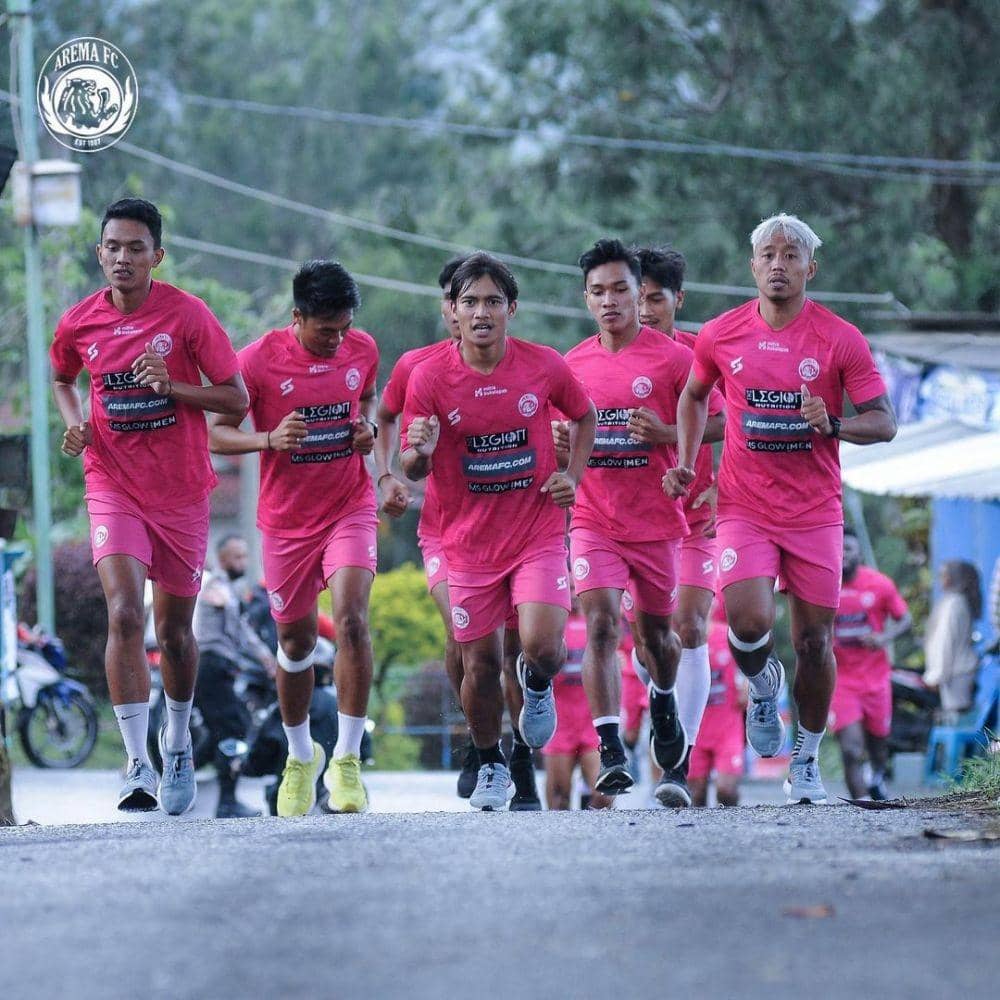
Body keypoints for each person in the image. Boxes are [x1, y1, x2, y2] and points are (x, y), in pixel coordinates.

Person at [664, 212, 897, 805]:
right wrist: (688, 458)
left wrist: (836, 423)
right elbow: (693, 397)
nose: (778, 264)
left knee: (816, 641)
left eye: (791, 255)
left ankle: (807, 759)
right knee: (746, 621)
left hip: (815, 511)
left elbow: (884, 421)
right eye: (768, 254)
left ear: (809, 269)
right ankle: (765, 683)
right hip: (745, 506)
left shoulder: (840, 338)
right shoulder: (722, 333)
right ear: (752, 266)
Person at [50, 198, 248, 815]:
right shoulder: (79, 322)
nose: (122, 257)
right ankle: (137, 762)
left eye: (136, 247)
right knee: (123, 612)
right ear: (99, 253)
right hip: (112, 482)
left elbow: (237, 399)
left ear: (156, 256)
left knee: (175, 632)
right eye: (113, 246)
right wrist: (76, 421)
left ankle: (179, 739)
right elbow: (62, 377)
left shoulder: (188, 316)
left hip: (182, 493)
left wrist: (173, 385)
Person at [401, 252, 597, 810]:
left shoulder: (543, 365)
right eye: (470, 302)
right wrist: (421, 451)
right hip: (465, 545)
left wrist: (571, 477)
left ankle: (536, 686)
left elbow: (584, 416)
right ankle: (489, 761)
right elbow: (412, 465)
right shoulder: (429, 377)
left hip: (534, 533)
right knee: (479, 663)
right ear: (453, 314)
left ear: (511, 309)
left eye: (492, 301)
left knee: (541, 647)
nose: (481, 312)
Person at [210, 260, 378, 817]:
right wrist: (267, 438)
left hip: (349, 506)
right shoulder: (256, 360)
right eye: (325, 330)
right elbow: (216, 432)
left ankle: (348, 761)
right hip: (285, 522)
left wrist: (368, 429)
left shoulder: (362, 349)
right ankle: (301, 756)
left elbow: (370, 399)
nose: (336, 340)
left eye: (344, 328)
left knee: (352, 617)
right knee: (296, 645)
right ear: (297, 317)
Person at [560, 238, 717, 801]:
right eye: (598, 292)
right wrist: (559, 444)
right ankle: (610, 746)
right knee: (600, 625)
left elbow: (718, 422)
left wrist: (678, 451)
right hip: (593, 520)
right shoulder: (571, 365)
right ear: (586, 299)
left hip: (657, 522)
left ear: (637, 293)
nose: (611, 301)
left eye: (621, 290)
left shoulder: (677, 361)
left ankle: (665, 700)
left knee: (660, 638)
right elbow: (558, 443)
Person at [631, 245, 726, 806]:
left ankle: (678, 762)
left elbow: (735, 419)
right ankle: (663, 721)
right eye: (634, 297)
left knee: (689, 628)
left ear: (677, 300)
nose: (644, 309)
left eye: (655, 298)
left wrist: (720, 479)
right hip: (633, 525)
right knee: (651, 644)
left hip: (697, 520)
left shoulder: (700, 356)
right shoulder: (603, 357)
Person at [192, 533, 278, 818]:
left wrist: (266, 657)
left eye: (245, 555)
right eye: (237, 556)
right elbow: (215, 604)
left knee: (222, 731)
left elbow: (243, 631)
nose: (244, 561)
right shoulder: (215, 586)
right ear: (223, 559)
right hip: (211, 668)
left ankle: (181, 775)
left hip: (221, 669)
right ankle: (226, 802)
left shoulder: (229, 590)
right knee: (234, 728)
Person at [830, 530, 911, 799]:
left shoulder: (879, 585)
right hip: (841, 680)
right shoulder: (824, 585)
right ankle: (862, 802)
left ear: (860, 553)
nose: (844, 554)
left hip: (876, 679)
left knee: (878, 743)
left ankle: (877, 773)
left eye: (849, 549)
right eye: (839, 548)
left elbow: (905, 619)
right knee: (851, 748)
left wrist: (883, 638)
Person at [543, 591, 613, 810]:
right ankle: (562, 842)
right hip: (559, 724)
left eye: (576, 588)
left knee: (604, 796)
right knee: (558, 799)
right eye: (568, 587)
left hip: (591, 724)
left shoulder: (596, 625)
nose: (573, 594)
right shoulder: (548, 627)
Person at [688, 601, 747, 807]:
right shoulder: (680, 639)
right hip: (694, 732)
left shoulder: (728, 635)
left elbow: (755, 659)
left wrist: (749, 684)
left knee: (726, 791)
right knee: (695, 797)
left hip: (727, 728)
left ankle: (732, 834)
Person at [923, 560, 982, 723]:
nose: (940, 579)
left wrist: (936, 675)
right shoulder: (957, 601)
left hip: (956, 673)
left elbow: (945, 643)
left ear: (954, 578)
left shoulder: (954, 604)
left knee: (957, 721)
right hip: (957, 671)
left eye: (944, 575)